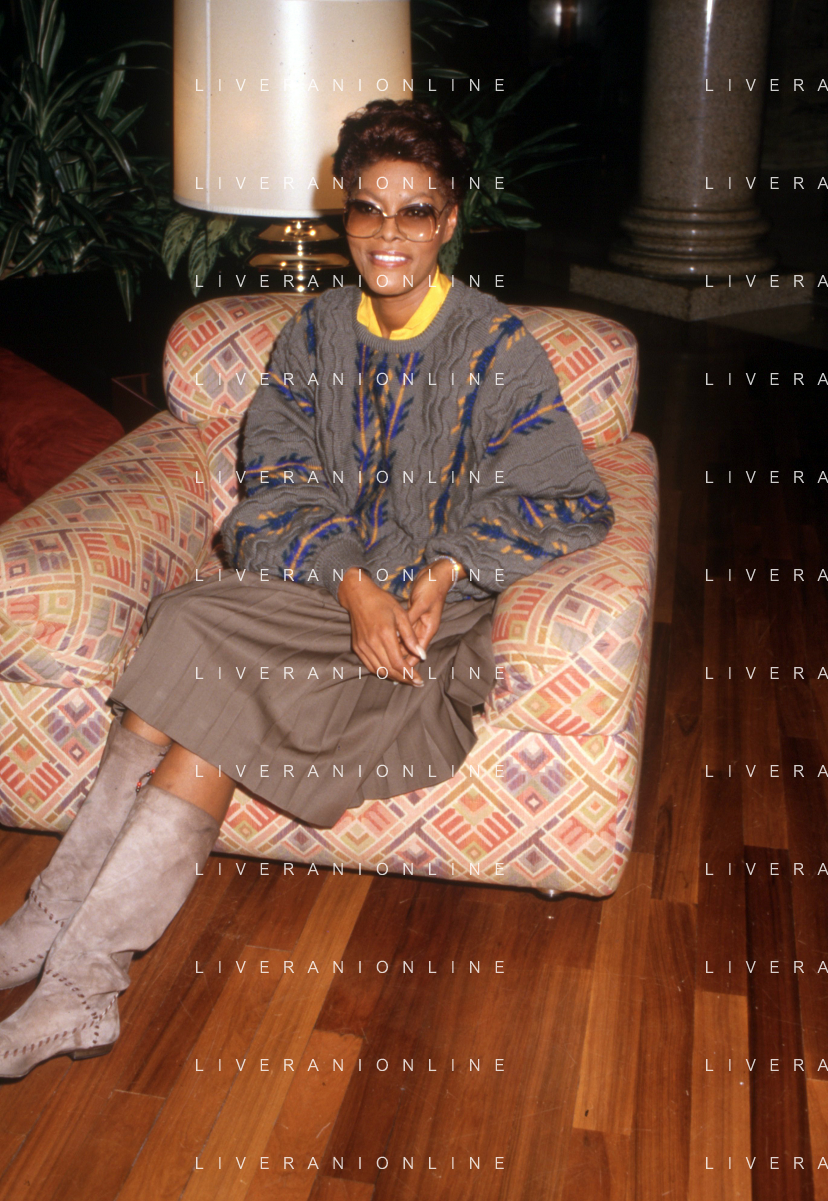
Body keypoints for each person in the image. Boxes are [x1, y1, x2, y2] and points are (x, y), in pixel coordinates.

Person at [0, 99, 614, 1078]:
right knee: (190, 621)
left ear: (450, 218)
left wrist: (444, 567)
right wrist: (353, 584)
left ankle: (72, 968)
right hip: (323, 592)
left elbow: (567, 500)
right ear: (345, 214)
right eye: (369, 208)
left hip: (425, 631)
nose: (388, 232)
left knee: (201, 674)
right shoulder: (314, 334)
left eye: (416, 211)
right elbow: (275, 485)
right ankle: (62, 941)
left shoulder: (499, 349)